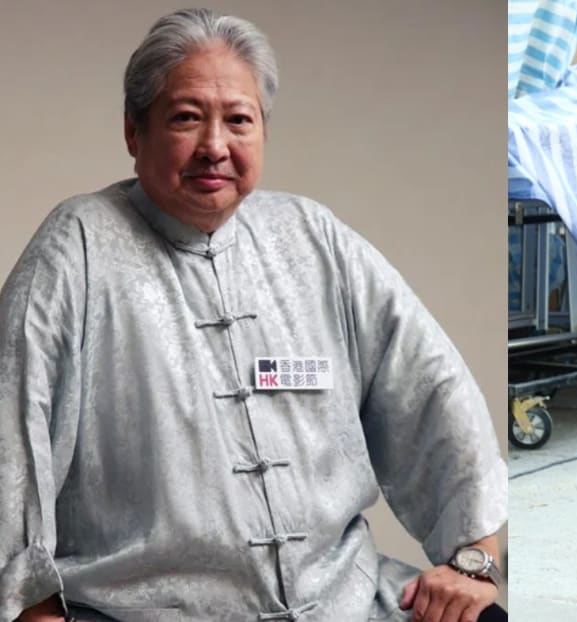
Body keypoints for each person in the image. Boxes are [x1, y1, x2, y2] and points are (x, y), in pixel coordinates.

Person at [0, 8, 507, 622]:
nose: (215, 147)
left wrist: (472, 557)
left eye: (238, 120)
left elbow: (432, 386)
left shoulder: (314, 238)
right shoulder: (76, 247)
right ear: (135, 132)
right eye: (187, 118)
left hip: (346, 602)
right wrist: (30, 602)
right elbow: (11, 435)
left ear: (263, 130)